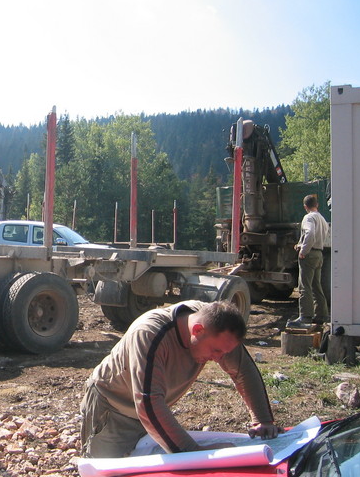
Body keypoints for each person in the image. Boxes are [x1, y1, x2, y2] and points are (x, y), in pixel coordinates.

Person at [80, 300, 282, 458]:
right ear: (197, 331)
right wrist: (194, 453)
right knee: (105, 469)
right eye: (216, 351)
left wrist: (263, 420)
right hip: (114, 408)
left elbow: (243, 370)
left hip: (153, 410)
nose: (219, 359)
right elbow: (149, 403)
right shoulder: (149, 334)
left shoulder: (214, 322)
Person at [286, 194, 330, 329]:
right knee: (317, 286)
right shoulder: (322, 218)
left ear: (305, 206)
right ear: (317, 205)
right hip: (319, 254)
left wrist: (303, 251)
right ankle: (322, 315)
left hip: (309, 255)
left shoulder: (309, 217)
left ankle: (305, 317)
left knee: (304, 286)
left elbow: (310, 233)